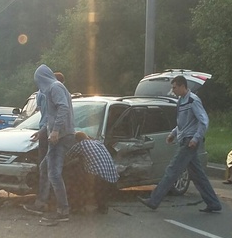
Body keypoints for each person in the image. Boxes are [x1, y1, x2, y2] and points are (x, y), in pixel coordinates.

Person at [137, 75, 222, 213]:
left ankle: (154, 200)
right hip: (184, 139)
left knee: (172, 170)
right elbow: (182, 124)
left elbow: (204, 121)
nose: (173, 90)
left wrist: (196, 138)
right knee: (198, 175)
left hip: (189, 142)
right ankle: (213, 203)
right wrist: (173, 133)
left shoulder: (193, 100)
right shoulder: (181, 100)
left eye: (174, 87)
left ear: (183, 86)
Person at [23, 65, 75, 222]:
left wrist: (55, 131)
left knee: (53, 172)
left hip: (61, 137)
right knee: (45, 167)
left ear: (43, 78)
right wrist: (42, 132)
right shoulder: (54, 88)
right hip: (58, 135)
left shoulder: (55, 87)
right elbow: (50, 117)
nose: (38, 83)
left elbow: (63, 108)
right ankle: (42, 203)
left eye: (38, 79)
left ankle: (63, 210)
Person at [65, 131, 119, 214]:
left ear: (77, 140)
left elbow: (68, 156)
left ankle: (78, 207)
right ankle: (102, 207)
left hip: (98, 177)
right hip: (112, 177)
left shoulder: (81, 145)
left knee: (80, 182)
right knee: (101, 190)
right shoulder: (98, 143)